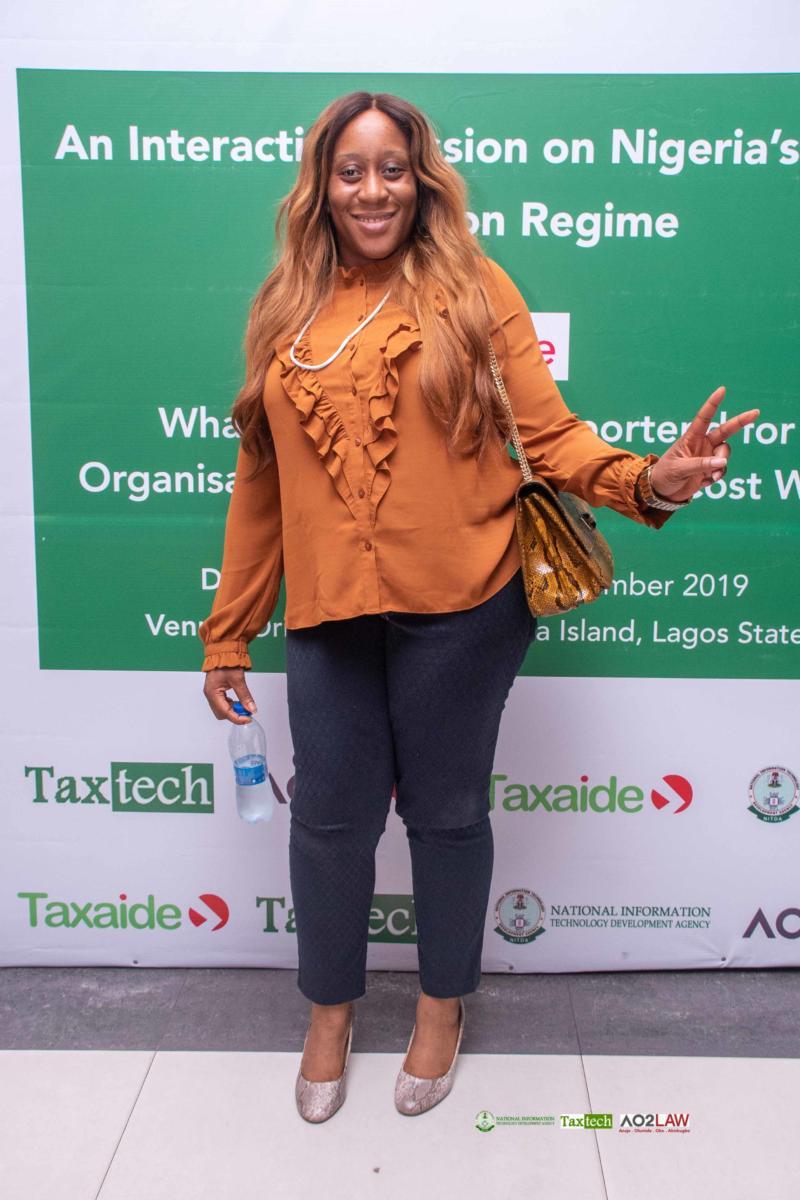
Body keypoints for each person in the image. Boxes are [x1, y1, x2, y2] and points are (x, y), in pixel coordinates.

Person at [199, 91, 759, 1123]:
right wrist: (228, 631)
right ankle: (329, 1013)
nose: (372, 190)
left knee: (446, 814)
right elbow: (259, 483)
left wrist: (650, 479)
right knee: (327, 819)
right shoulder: (283, 306)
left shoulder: (472, 286)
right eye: (351, 170)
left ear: (421, 181)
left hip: (464, 602)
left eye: (393, 169)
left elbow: (548, 437)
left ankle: (441, 1005)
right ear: (322, 185)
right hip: (329, 608)